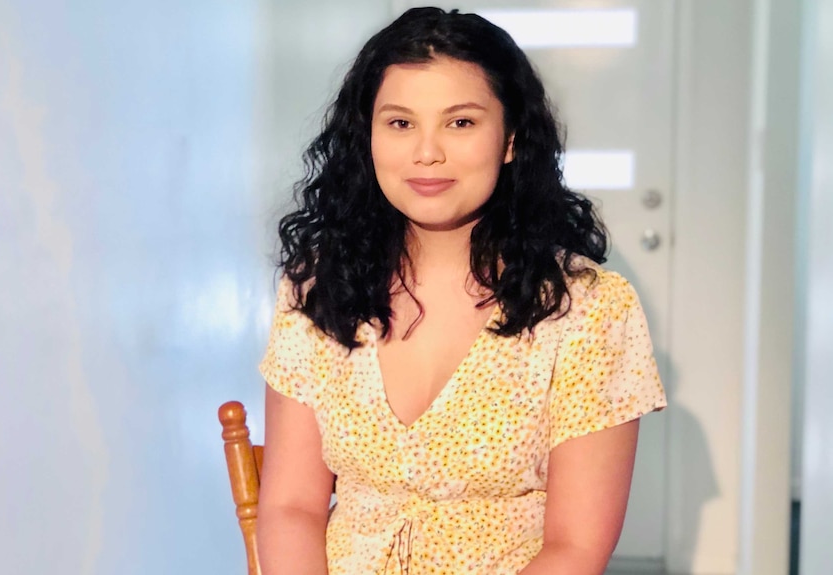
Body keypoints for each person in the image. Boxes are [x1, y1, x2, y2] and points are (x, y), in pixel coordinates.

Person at [255, 7, 666, 575]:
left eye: (461, 123)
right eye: (400, 123)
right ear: (367, 137)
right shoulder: (318, 285)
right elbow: (291, 507)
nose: (427, 152)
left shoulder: (590, 309)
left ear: (511, 140)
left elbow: (575, 548)